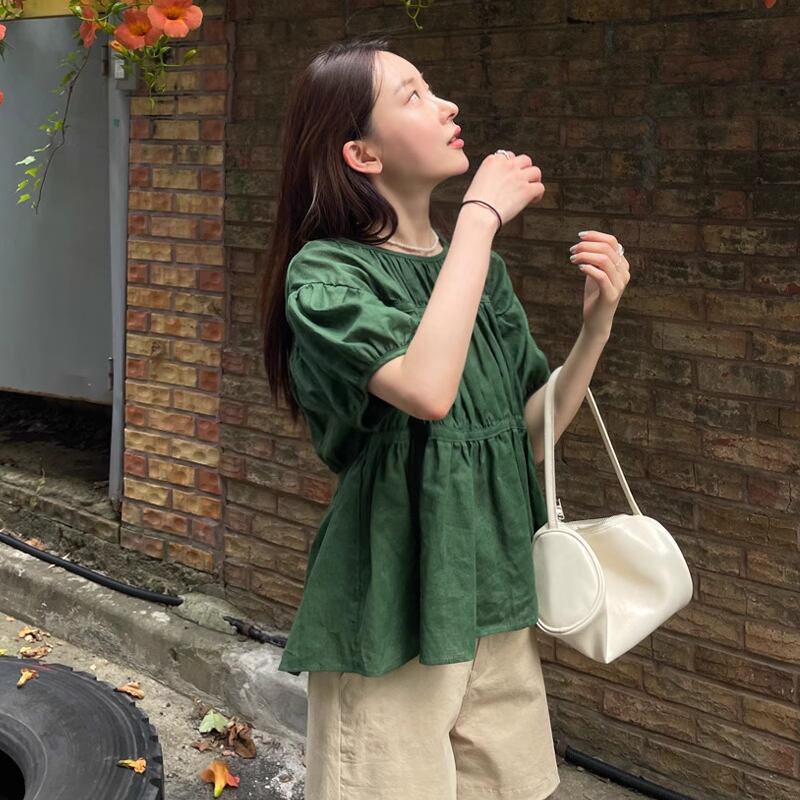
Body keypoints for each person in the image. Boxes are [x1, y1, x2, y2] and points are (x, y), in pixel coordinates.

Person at [258, 35, 630, 800]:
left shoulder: (480, 274)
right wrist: (480, 218)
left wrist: (595, 327)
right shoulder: (327, 275)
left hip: (496, 597)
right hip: (392, 610)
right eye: (415, 95)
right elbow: (427, 390)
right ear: (362, 155)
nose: (448, 105)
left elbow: (526, 436)